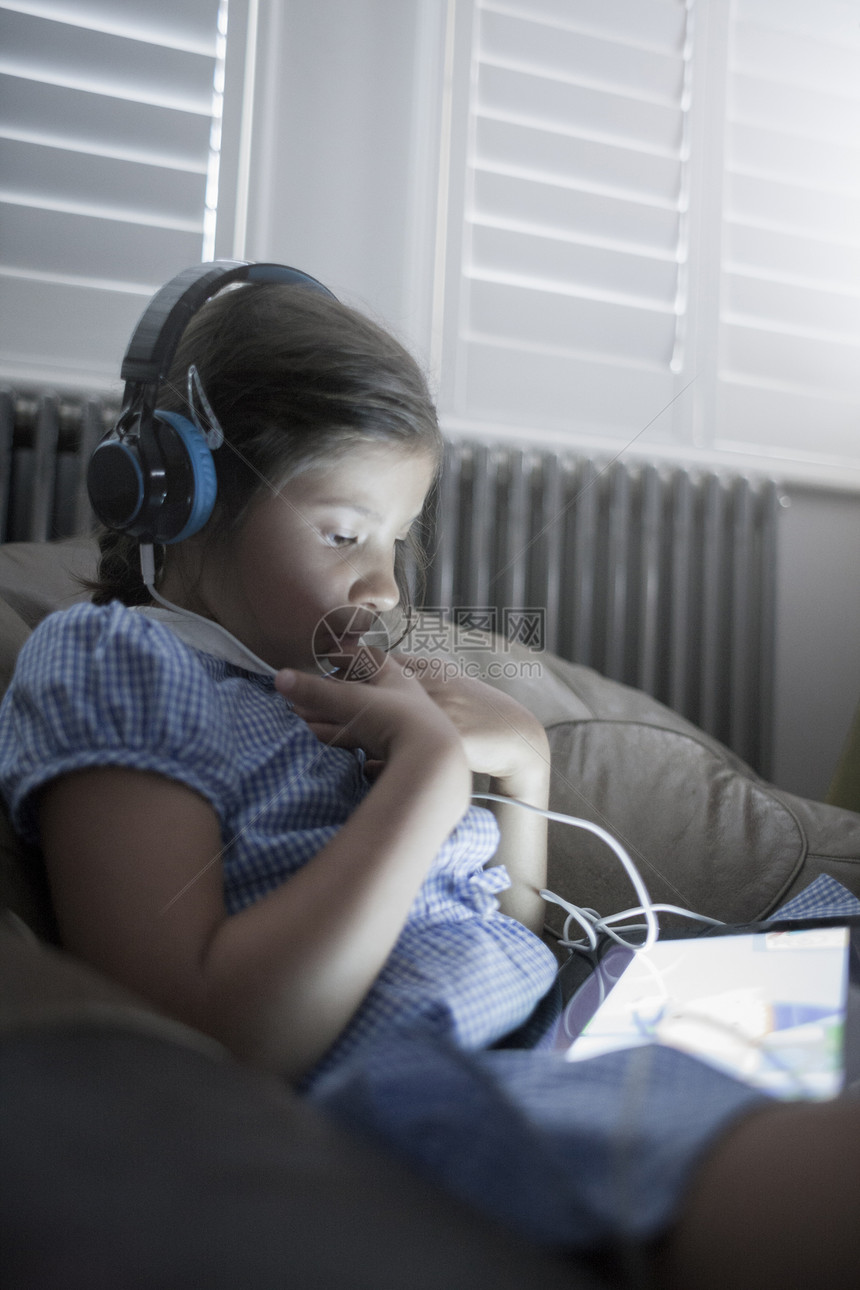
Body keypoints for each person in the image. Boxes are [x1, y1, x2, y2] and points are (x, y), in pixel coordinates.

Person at [0, 271, 857, 1288]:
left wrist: (519, 771)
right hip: (424, 1092)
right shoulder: (112, 661)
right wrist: (425, 779)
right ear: (177, 499)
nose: (385, 585)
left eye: (396, 539)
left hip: (565, 1020)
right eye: (341, 532)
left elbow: (511, 924)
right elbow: (199, 1032)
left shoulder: (340, 679)